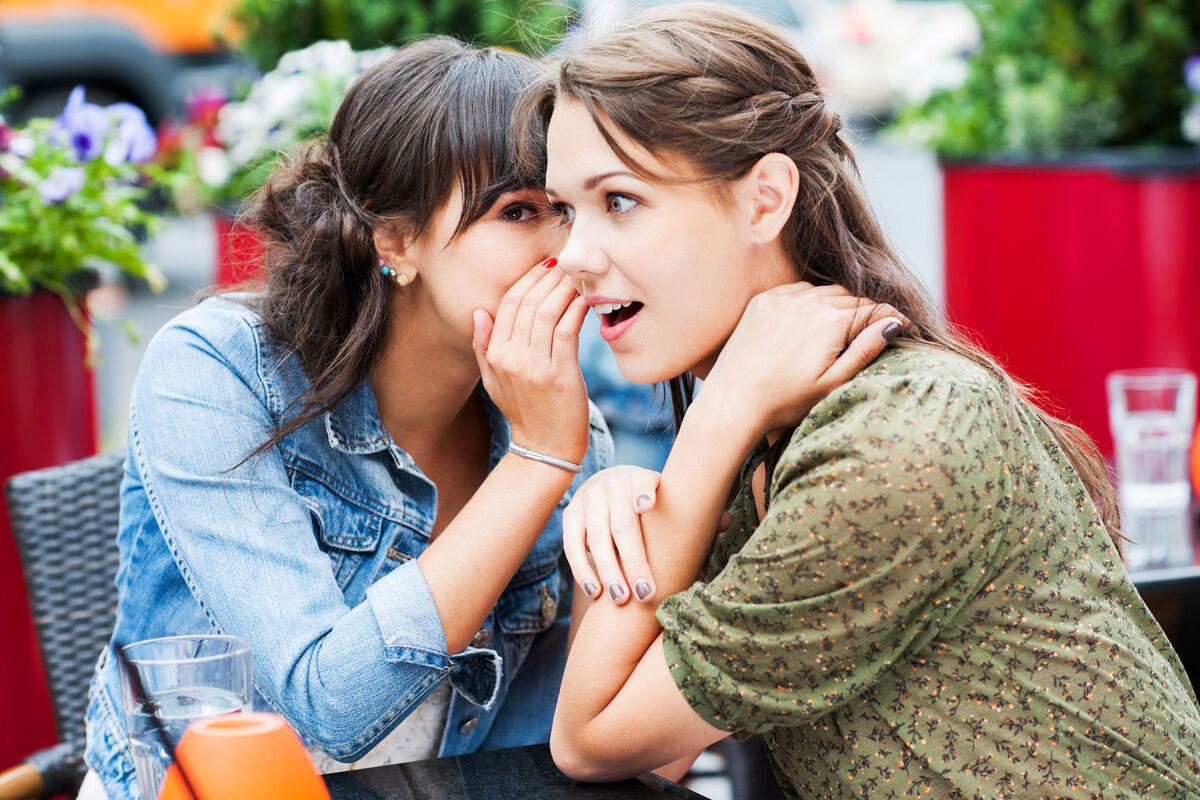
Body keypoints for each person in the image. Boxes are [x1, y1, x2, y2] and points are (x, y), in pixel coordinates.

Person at [527, 4, 1200, 798]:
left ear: (764, 200)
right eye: (565, 210)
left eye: (620, 201)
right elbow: (654, 747)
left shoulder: (892, 441)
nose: (571, 256)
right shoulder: (775, 425)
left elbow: (594, 741)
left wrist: (711, 427)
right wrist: (631, 491)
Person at [80, 38, 616, 800]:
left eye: (574, 210)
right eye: (521, 211)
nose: (569, 251)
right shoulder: (217, 372)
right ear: (394, 238)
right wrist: (535, 462)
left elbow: (583, 744)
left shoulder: (563, 430)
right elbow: (325, 709)